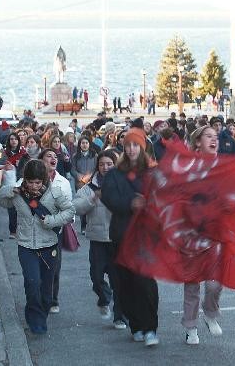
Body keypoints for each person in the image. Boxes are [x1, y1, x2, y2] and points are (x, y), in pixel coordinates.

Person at [0, 159, 74, 334]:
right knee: (32, 282)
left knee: (46, 288)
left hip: (49, 246)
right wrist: (10, 190)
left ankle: (43, 311)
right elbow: (2, 200)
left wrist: (51, 221)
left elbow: (70, 211)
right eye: (30, 182)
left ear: (44, 180)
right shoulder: (18, 193)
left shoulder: (55, 193)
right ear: (25, 179)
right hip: (26, 245)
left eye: (37, 182)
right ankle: (35, 319)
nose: (33, 186)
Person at [101, 128, 160, 347]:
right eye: (128, 145)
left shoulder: (153, 172)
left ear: (142, 147)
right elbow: (108, 197)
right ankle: (136, 325)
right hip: (121, 235)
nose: (132, 149)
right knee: (124, 283)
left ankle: (151, 327)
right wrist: (130, 203)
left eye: (136, 145)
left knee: (145, 282)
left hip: (145, 237)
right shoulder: (115, 173)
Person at [73, 150, 127, 330]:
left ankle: (120, 317)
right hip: (97, 239)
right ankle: (104, 298)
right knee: (96, 277)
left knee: (118, 280)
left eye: (109, 164)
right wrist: (93, 199)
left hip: (118, 240)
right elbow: (76, 208)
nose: (105, 167)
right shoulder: (89, 187)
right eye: (102, 164)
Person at [182, 126, 223, 345]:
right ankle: (190, 327)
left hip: (216, 232)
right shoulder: (189, 166)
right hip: (192, 233)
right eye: (208, 136)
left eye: (216, 137)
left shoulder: (223, 166)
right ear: (198, 142)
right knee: (192, 283)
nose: (213, 140)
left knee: (215, 283)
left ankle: (210, 313)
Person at [39, 148, 73, 314]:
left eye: (55, 156)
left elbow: (69, 208)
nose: (53, 159)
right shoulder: (33, 178)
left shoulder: (63, 182)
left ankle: (53, 299)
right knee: (37, 265)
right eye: (48, 156)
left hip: (55, 230)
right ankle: (38, 296)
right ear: (41, 160)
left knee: (54, 266)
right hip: (35, 229)